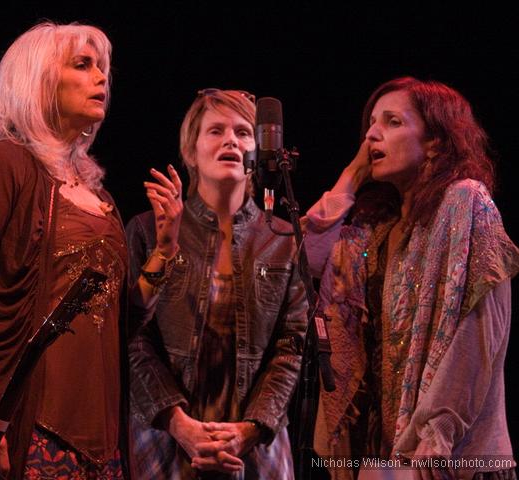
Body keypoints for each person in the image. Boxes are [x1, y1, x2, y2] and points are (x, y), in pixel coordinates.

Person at [0, 21, 180, 479]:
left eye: (103, 67)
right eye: (83, 66)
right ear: (39, 80)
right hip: (23, 424)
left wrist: (163, 251)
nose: (102, 78)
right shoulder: (1, 165)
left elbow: (118, 322)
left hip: (98, 437)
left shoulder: (98, 196)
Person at [304, 76, 519, 479]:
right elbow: (304, 263)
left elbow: (480, 330)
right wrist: (350, 177)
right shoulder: (376, 230)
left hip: (458, 459)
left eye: (392, 122)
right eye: (370, 123)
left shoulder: (467, 201)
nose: (371, 133)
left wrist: (436, 436)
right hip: (390, 461)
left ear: (436, 141)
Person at [126, 88, 308, 479]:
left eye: (243, 132)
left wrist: (250, 429)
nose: (231, 140)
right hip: (164, 438)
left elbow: (290, 346)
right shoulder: (146, 230)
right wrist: (179, 424)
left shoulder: (283, 238)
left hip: (254, 445)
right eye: (215, 131)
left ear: (256, 152)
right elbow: (132, 338)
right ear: (191, 151)